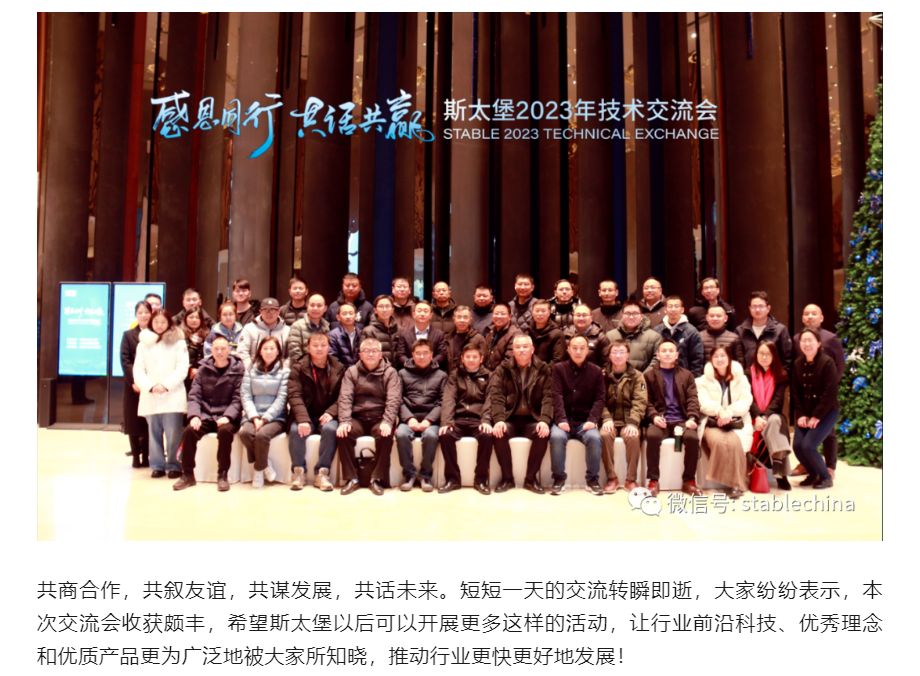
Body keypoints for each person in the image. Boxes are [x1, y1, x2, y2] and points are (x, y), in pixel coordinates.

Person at [173, 335, 246, 491]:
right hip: (206, 415)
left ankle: (222, 474)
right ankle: (187, 474)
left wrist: (228, 416)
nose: (219, 352)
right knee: (189, 431)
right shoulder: (203, 369)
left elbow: (238, 399)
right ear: (211, 350)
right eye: (216, 349)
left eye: (223, 349)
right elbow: (194, 395)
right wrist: (194, 416)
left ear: (229, 350)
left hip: (227, 417)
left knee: (225, 432)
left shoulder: (238, 370)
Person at [335, 338, 402, 495]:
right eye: (366, 351)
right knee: (343, 433)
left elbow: (393, 399)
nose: (370, 354)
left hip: (379, 418)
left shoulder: (390, 373)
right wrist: (344, 421)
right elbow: (345, 398)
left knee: (385, 435)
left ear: (381, 354)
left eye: (374, 351)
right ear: (360, 355)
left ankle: (376, 478)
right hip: (357, 417)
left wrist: (388, 421)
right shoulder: (351, 372)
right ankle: (352, 479)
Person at [488, 334, 553, 493]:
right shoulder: (503, 369)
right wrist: (499, 419)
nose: (521, 350)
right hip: (510, 417)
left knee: (542, 433)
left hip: (533, 418)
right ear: (512, 350)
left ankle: (530, 479)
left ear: (532, 349)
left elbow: (548, 397)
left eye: (525, 347)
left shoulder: (543, 369)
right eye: (517, 347)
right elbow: (497, 396)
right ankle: (507, 479)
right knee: (498, 433)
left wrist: (544, 420)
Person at [791, 303, 846, 479]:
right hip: (806, 394)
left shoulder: (831, 338)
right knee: (803, 440)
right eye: (806, 314)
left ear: (821, 318)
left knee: (828, 433)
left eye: (814, 313)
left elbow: (840, 365)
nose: (810, 317)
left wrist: (828, 389)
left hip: (825, 396)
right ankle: (808, 466)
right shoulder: (796, 339)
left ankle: (829, 467)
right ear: (802, 318)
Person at [134, 309, 190, 479]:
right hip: (151, 394)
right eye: (156, 322)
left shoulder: (178, 342)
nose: (159, 325)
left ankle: (174, 464)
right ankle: (157, 465)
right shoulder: (143, 344)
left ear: (169, 323)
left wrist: (166, 386)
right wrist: (150, 387)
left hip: (172, 394)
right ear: (151, 323)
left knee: (173, 432)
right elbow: (138, 370)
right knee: (154, 432)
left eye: (163, 322)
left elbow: (182, 368)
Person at [644, 339, 702, 497]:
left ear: (677, 355)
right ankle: (653, 480)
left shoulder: (686, 375)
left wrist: (692, 418)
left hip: (682, 421)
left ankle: (689, 480)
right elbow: (646, 401)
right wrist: (654, 416)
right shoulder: (649, 376)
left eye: (671, 351)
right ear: (657, 355)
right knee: (652, 436)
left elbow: (693, 399)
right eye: (664, 351)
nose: (667, 354)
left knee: (692, 438)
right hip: (661, 420)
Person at [548, 335, 606, 496]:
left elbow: (600, 398)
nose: (578, 351)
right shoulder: (559, 368)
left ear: (588, 350)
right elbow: (556, 395)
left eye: (582, 348)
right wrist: (561, 419)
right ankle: (558, 479)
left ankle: (592, 480)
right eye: (574, 348)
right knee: (557, 437)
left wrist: (592, 420)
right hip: (563, 420)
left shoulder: (596, 371)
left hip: (585, 421)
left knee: (594, 438)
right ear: (568, 350)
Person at [287, 332, 344, 492]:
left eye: (323, 345)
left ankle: (322, 473)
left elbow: (344, 396)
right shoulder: (298, 368)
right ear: (308, 347)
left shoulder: (339, 368)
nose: (319, 349)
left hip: (327, 415)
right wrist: (302, 419)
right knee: (295, 430)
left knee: (331, 429)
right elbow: (294, 395)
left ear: (329, 347)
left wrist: (332, 412)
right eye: (315, 345)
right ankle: (298, 472)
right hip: (305, 413)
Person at [696, 346, 754, 500]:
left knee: (735, 442)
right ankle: (730, 481)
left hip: (738, 421)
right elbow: (703, 402)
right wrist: (719, 411)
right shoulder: (703, 380)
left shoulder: (741, 378)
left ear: (729, 358)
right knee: (719, 441)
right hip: (712, 422)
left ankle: (736, 485)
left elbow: (746, 400)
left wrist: (729, 413)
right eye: (715, 356)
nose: (719, 359)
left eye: (723, 355)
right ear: (711, 360)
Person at [438, 344, 494, 494]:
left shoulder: (489, 376)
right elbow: (448, 399)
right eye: (468, 357)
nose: (471, 360)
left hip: (478, 420)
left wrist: (486, 420)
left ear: (481, 359)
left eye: (475, 357)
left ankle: (481, 480)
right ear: (462, 358)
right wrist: (447, 422)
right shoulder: (455, 375)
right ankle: (452, 479)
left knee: (487, 436)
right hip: (459, 419)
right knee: (445, 434)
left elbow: (490, 400)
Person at [396, 339, 448, 491]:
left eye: (425, 353)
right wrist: (409, 418)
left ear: (431, 354)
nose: (421, 357)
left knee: (431, 436)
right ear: (412, 355)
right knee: (401, 435)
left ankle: (425, 476)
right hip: (408, 417)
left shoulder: (441, 375)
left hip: (430, 419)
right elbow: (397, 400)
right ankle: (409, 475)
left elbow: (443, 402)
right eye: (418, 353)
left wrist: (429, 420)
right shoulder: (402, 374)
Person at [239, 336, 290, 488]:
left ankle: (258, 471)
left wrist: (265, 419)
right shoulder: (250, 369)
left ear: (278, 351)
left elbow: (282, 399)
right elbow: (245, 395)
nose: (269, 352)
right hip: (253, 415)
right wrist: (255, 417)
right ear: (260, 351)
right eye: (265, 348)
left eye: (272, 348)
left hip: (276, 417)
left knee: (261, 435)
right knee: (245, 434)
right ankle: (264, 464)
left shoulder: (285, 371)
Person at [599, 339, 647, 494]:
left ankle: (631, 479)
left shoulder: (637, 376)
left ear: (628, 355)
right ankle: (611, 478)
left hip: (628, 420)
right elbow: (598, 400)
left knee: (633, 437)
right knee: (604, 435)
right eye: (614, 352)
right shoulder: (601, 375)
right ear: (609, 355)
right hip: (610, 420)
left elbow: (640, 402)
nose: (618, 355)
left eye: (621, 352)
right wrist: (606, 418)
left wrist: (633, 422)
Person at [745, 340, 793, 491]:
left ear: (774, 356)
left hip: (773, 415)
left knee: (774, 421)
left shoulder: (781, 375)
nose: (764, 357)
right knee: (774, 425)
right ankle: (780, 470)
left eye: (768, 354)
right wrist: (757, 416)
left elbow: (777, 401)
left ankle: (778, 464)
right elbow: (748, 398)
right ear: (756, 354)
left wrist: (764, 417)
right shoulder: (748, 373)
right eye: (761, 353)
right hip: (752, 415)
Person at [120, 300, 151, 468]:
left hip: (150, 384)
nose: (144, 315)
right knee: (133, 421)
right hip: (133, 386)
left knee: (147, 422)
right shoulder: (128, 335)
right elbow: (125, 360)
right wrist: (134, 381)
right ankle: (135, 457)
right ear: (135, 315)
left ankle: (146, 456)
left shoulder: (156, 334)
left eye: (146, 312)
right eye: (140, 312)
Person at [735, 291, 794, 371]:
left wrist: (781, 377)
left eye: (761, 306)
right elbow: (737, 359)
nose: (757, 310)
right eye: (754, 306)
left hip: (773, 377)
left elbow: (787, 359)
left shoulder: (780, 330)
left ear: (768, 308)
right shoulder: (740, 331)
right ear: (750, 309)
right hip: (747, 377)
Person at [654, 296, 705, 377]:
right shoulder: (657, 331)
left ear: (682, 310)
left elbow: (697, 360)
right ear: (665, 310)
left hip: (684, 378)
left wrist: (693, 379)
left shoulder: (692, 332)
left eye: (676, 306)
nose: (673, 309)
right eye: (670, 306)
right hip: (660, 376)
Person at [604, 299, 661, 372]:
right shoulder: (610, 336)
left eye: (635, 313)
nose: (631, 317)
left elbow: (656, 360)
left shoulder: (654, 337)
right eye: (627, 313)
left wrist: (642, 377)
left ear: (641, 316)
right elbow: (605, 360)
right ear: (622, 316)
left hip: (644, 378)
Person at [237, 298, 290, 369]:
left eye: (272, 310)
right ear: (260, 311)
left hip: (280, 371)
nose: (269, 313)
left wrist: (282, 370)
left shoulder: (287, 330)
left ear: (278, 311)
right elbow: (242, 352)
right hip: (254, 371)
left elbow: (291, 355)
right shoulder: (249, 328)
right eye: (265, 310)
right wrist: (251, 370)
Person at [395, 300, 448, 370]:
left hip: (432, 371)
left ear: (431, 315)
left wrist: (429, 364)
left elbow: (442, 354)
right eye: (419, 311)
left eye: (426, 311)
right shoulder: (404, 334)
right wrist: (412, 365)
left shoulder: (439, 334)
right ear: (413, 314)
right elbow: (400, 355)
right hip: (410, 371)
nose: (422, 314)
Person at [286, 294, 330, 363]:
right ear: (307, 307)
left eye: (319, 306)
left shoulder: (327, 327)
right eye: (312, 305)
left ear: (325, 308)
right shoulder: (297, 326)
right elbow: (294, 353)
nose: (315, 308)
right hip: (302, 367)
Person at [444, 305, 487, 373]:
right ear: (454, 319)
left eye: (465, 317)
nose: (462, 320)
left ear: (470, 320)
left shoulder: (479, 339)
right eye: (459, 317)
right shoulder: (448, 339)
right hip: (451, 377)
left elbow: (482, 362)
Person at [360, 295, 400, 366]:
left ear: (392, 310)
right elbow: (364, 356)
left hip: (397, 370)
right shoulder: (368, 331)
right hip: (377, 370)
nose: (384, 309)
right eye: (381, 306)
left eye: (387, 306)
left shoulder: (399, 329)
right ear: (375, 310)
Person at [525, 300, 566, 368]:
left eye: (543, 311)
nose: (540, 314)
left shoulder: (557, 334)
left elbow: (558, 360)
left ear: (549, 313)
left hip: (548, 373)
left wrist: (543, 372)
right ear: (532, 312)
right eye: (537, 311)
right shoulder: (527, 333)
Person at [483, 303, 522, 370]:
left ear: (510, 316)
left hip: (503, 375)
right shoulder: (490, 331)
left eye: (503, 314)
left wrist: (493, 375)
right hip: (488, 373)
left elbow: (509, 361)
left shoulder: (515, 334)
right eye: (496, 313)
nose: (499, 316)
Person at [179, 308, 210, 392]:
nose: (194, 320)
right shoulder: (179, 336)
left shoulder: (208, 335)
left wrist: (201, 370)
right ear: (185, 319)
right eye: (191, 317)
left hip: (204, 378)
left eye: (197, 317)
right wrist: (190, 370)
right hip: (184, 379)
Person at [327, 302, 363, 368]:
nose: (348, 316)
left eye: (351, 313)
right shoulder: (332, 336)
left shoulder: (362, 334)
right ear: (338, 317)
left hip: (360, 372)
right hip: (341, 372)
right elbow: (333, 360)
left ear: (355, 316)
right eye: (344, 314)